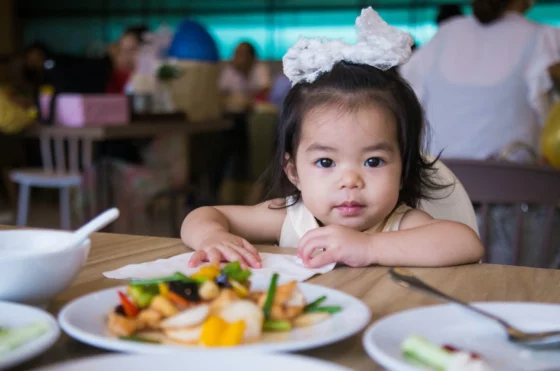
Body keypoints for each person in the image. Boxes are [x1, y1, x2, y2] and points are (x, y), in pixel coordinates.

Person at [181, 8, 484, 270]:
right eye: (326, 161)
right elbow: (206, 214)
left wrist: (369, 248)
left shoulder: (400, 224)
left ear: (402, 169)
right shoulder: (291, 218)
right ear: (294, 171)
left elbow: (466, 243)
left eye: (373, 161)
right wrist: (212, 237)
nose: (350, 180)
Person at [400, 0, 560, 160]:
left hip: (439, 174)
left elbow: (408, 98)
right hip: (513, 175)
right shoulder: (543, 38)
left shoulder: (444, 35)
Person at [219, 41, 272, 106]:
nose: (235, 58)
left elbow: (266, 90)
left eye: (240, 54)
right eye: (235, 54)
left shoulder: (260, 69)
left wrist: (246, 99)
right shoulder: (229, 71)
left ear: (251, 57)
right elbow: (221, 92)